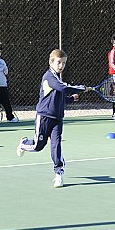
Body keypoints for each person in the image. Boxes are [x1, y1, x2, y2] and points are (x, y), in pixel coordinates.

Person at [16, 49, 89, 188]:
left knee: (56, 145)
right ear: (51, 62)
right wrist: (80, 88)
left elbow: (59, 97)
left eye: (64, 63)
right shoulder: (49, 76)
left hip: (57, 118)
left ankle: (59, 173)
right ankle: (24, 143)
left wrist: (71, 99)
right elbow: (63, 88)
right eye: (59, 62)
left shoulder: (57, 78)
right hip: (44, 116)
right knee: (38, 146)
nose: (61, 65)